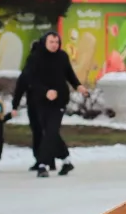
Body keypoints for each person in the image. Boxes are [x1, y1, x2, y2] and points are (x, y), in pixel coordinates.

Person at [14, 30, 83, 177]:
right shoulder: (35, 58)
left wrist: (78, 86)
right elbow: (30, 80)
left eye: (57, 42)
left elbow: (69, 73)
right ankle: (66, 160)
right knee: (50, 132)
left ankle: (43, 164)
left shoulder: (62, 56)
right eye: (51, 42)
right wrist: (45, 91)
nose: (54, 45)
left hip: (59, 100)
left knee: (51, 131)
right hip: (41, 101)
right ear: (44, 42)